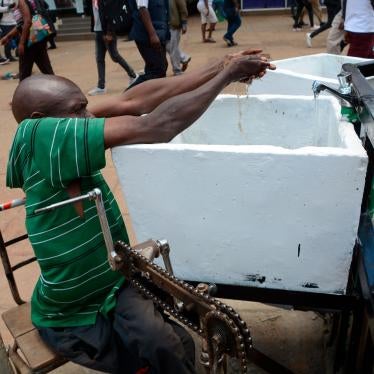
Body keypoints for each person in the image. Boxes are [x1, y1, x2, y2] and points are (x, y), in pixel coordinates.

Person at [6, 49, 274, 374]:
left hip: (111, 280)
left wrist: (221, 64)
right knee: (164, 347)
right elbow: (160, 125)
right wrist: (227, 77)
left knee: (171, 345)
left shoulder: (50, 126)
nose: (90, 118)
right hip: (74, 307)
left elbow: (132, 102)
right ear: (39, 120)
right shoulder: (44, 135)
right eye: (79, 111)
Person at [88, 0, 137, 96]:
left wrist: (109, 32)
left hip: (107, 31)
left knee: (114, 55)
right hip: (98, 31)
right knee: (99, 58)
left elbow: (111, 14)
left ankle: (133, 75)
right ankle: (101, 86)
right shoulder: (93, 1)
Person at [0, 0, 54, 80]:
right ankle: (58, 89)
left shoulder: (21, 1)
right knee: (47, 71)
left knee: (24, 74)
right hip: (37, 38)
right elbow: (22, 23)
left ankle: (23, 91)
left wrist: (22, 43)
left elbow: (27, 22)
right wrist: (8, 36)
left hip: (29, 40)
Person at [128, 0, 170, 88]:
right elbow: (142, 8)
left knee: (160, 67)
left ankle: (150, 99)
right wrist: (152, 34)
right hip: (147, 35)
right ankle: (128, 95)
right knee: (157, 71)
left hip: (158, 32)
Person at [166, 0, 191, 75]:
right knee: (169, 47)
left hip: (174, 25)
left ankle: (177, 70)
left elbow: (183, 8)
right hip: (164, 26)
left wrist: (184, 23)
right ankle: (183, 57)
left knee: (173, 48)